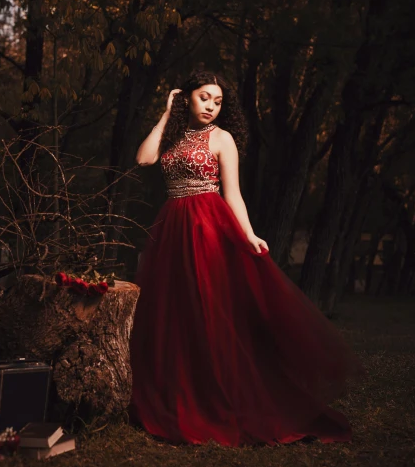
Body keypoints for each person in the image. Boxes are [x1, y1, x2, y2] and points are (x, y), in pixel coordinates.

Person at [129, 70, 365, 447]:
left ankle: (218, 396)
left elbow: (233, 194)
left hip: (206, 226)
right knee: (173, 313)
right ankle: (178, 393)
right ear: (186, 97)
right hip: (171, 227)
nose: (211, 106)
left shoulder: (222, 139)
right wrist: (165, 113)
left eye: (218, 102)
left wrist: (249, 234)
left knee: (209, 309)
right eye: (204, 97)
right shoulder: (171, 134)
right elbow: (143, 159)